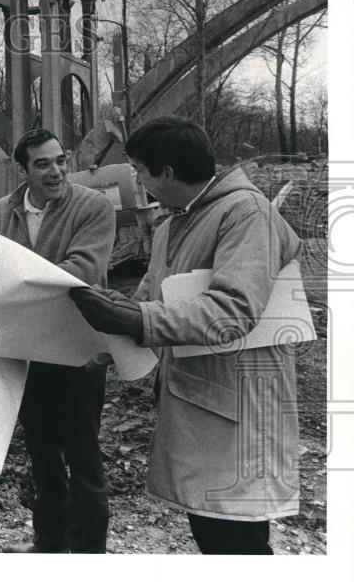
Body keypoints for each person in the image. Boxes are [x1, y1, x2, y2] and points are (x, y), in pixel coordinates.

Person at [69, 115, 301, 554]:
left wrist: (135, 322)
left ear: (168, 173)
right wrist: (103, 341)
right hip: (201, 405)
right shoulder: (173, 224)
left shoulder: (245, 214)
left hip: (240, 405)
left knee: (238, 539)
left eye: (139, 169)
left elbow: (233, 310)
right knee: (212, 530)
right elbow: (147, 297)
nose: (135, 179)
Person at [0, 128, 116, 553]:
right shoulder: (0, 213)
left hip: (75, 351)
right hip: (22, 353)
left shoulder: (93, 208)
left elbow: (81, 271)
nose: (56, 171)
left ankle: (89, 557)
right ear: (24, 170)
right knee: (42, 457)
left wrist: (6, 286)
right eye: (43, 164)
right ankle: (49, 546)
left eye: (61, 160)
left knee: (84, 460)